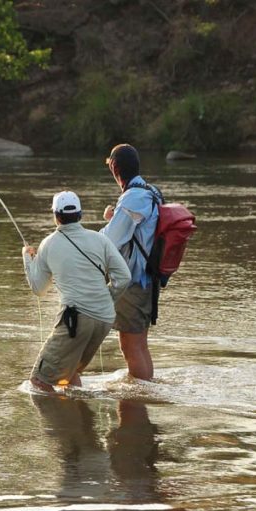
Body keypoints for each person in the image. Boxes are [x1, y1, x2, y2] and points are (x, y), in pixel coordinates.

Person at [23, 191, 131, 393]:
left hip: (76, 321)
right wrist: (107, 299)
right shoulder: (100, 240)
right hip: (105, 318)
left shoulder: (48, 244)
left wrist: (27, 259)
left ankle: (65, 423)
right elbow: (124, 277)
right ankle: (81, 421)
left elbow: (39, 289)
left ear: (56, 216)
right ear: (80, 215)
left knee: (39, 382)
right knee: (69, 374)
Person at [101, 144, 162, 381]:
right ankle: (145, 393)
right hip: (148, 278)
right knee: (140, 344)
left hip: (133, 281)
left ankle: (138, 403)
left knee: (131, 345)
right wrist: (113, 216)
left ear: (115, 168)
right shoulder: (151, 191)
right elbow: (139, 229)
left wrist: (84, 242)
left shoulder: (133, 197)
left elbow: (110, 240)